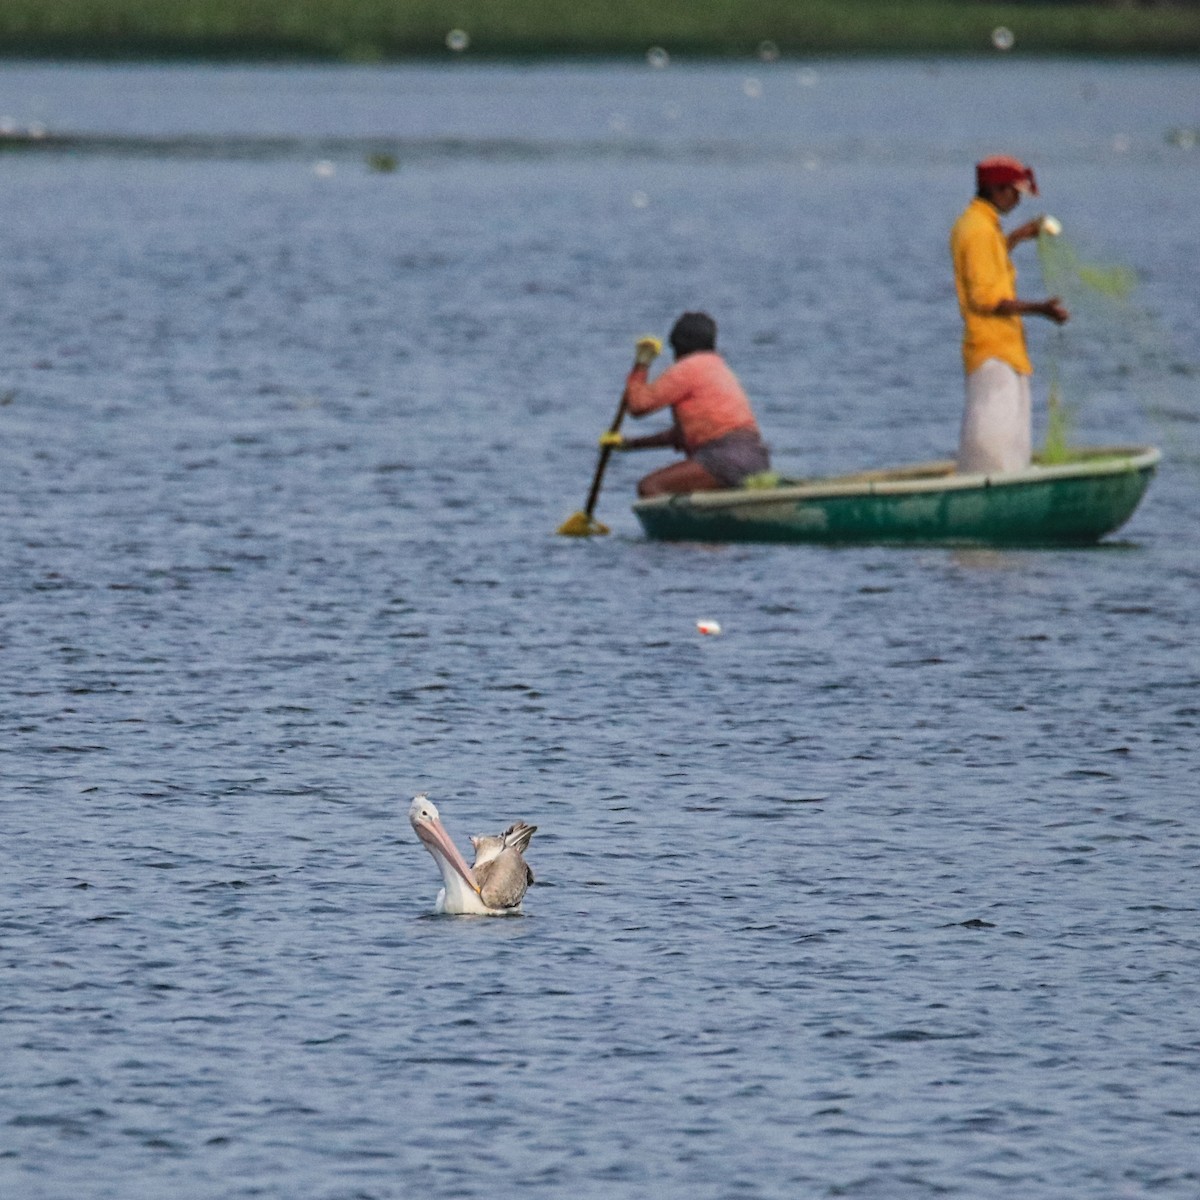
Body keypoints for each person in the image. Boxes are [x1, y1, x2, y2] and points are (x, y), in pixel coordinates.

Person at [950, 155, 1070, 474]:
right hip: (992, 351)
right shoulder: (977, 231)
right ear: (996, 189)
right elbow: (987, 298)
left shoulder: (983, 227)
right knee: (993, 444)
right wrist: (1041, 309)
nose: (1017, 200)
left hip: (1007, 350)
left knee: (1014, 444)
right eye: (1014, 192)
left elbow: (990, 265)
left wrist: (1016, 237)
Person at [602, 312, 770, 497]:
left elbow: (638, 405)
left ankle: (678, 526)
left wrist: (642, 363)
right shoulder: (719, 367)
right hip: (755, 460)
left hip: (726, 459)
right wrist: (629, 444)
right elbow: (681, 436)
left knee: (649, 487)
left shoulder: (686, 369)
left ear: (677, 347)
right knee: (683, 486)